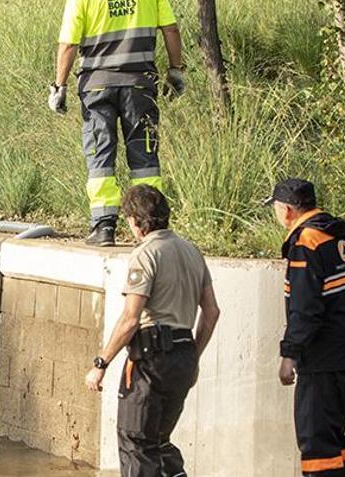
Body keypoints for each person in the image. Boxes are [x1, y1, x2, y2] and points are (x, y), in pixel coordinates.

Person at [85, 184, 220, 476]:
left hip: (151, 360)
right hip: (184, 356)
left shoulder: (146, 254)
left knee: (136, 442)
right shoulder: (191, 251)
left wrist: (101, 363)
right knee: (158, 441)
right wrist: (193, 356)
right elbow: (211, 311)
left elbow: (130, 319)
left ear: (135, 220)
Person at [49, 0, 185, 246]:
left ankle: (104, 226)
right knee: (144, 157)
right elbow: (171, 30)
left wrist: (59, 86)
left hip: (97, 86)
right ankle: (150, 226)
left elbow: (69, 43)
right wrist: (175, 70)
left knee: (101, 155)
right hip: (139, 85)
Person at [265, 178, 345, 477]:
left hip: (323, 357)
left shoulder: (306, 243)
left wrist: (289, 355)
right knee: (335, 438)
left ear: (286, 210)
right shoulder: (338, 236)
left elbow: (305, 309)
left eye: (275, 208)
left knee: (316, 443)